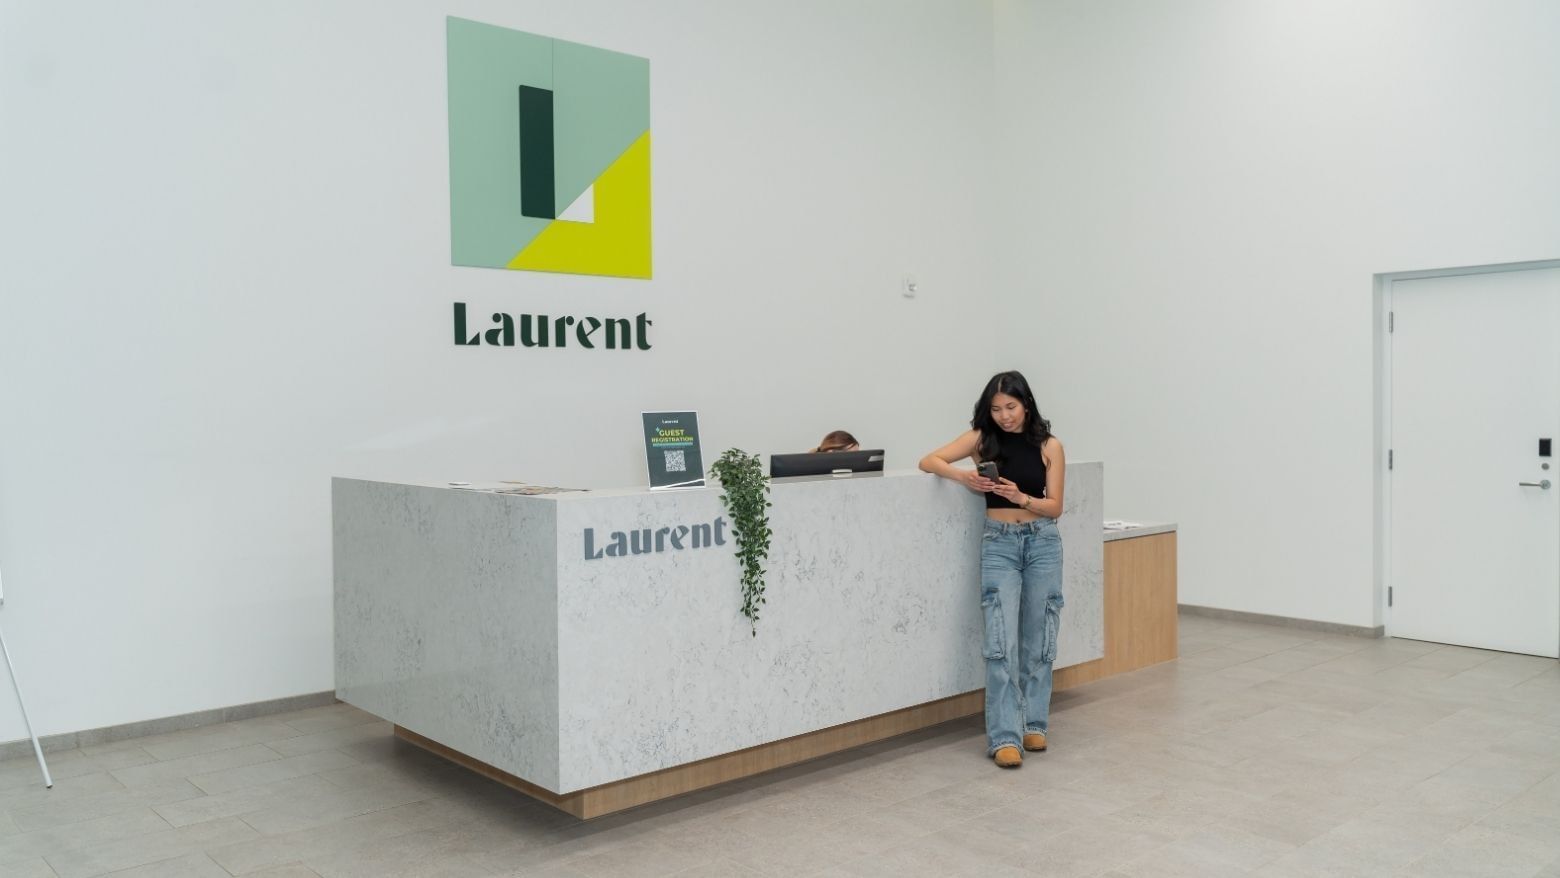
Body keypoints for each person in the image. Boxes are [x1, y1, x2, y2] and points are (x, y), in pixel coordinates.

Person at [918, 371, 1065, 769]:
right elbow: (928, 460)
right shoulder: (981, 439)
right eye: (997, 408)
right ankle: (1004, 736)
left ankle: (1034, 724)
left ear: (1027, 405)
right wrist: (964, 476)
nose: (1004, 416)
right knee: (1001, 640)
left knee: (1040, 635)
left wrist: (1023, 497)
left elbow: (1055, 507)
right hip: (998, 542)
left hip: (1043, 541)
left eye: (1011, 408)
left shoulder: (1050, 446)